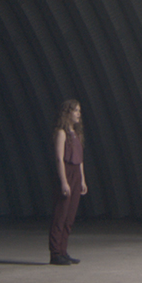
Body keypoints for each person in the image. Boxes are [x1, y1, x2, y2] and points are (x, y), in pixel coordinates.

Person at [47, 99, 86, 265]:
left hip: (76, 173)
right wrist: (64, 182)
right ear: (67, 112)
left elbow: (80, 160)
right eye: (75, 110)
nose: (78, 114)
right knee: (61, 215)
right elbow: (59, 159)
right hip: (66, 173)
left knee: (70, 217)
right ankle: (55, 253)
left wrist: (82, 180)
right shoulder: (61, 133)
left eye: (79, 111)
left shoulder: (76, 134)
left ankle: (63, 251)